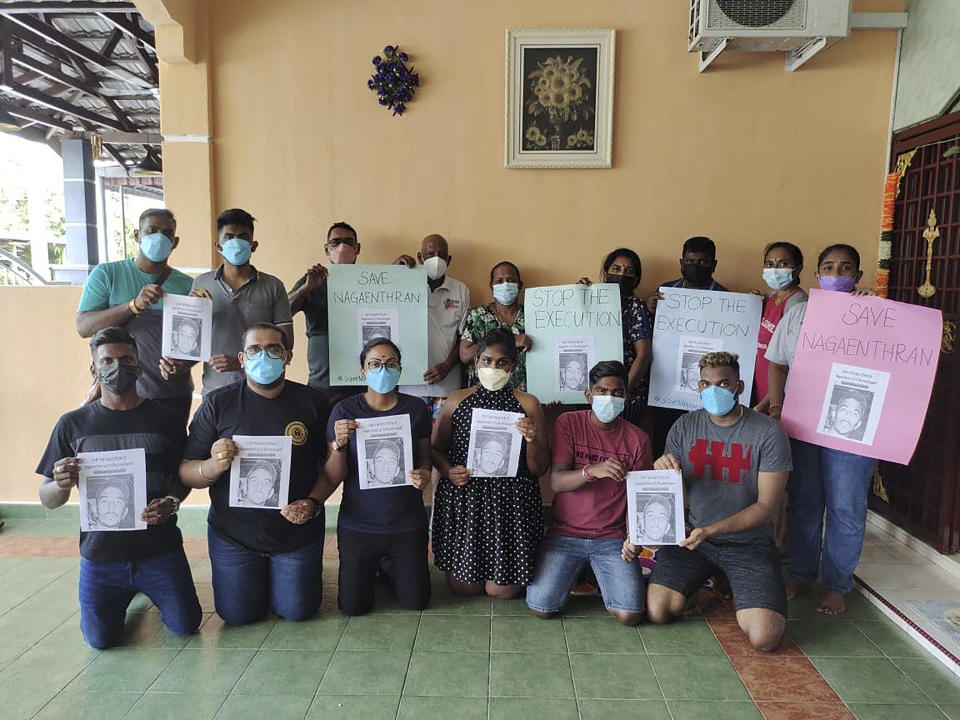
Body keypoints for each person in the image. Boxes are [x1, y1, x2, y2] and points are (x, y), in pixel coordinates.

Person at [37, 326, 201, 649]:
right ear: (94, 368)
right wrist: (59, 484)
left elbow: (181, 480)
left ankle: (144, 588)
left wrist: (172, 501)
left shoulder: (166, 420)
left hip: (159, 550)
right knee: (100, 641)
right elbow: (47, 498)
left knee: (186, 625)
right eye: (107, 360)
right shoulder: (72, 424)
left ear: (140, 365)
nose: (117, 367)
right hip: (101, 557)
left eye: (126, 359)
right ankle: (125, 593)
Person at [635, 351, 791, 651]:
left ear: (740, 387)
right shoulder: (684, 426)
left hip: (749, 544)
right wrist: (663, 473)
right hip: (693, 540)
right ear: (698, 387)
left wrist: (712, 530)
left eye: (723, 383)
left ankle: (738, 585)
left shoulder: (769, 433)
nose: (713, 391)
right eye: (705, 384)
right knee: (658, 611)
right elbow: (674, 497)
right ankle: (707, 583)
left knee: (765, 638)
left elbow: (767, 508)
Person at [179, 322, 330, 625]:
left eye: (273, 349)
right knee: (238, 616)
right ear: (242, 357)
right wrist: (212, 465)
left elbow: (330, 467)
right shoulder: (217, 404)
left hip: (295, 533)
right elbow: (186, 471)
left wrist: (312, 504)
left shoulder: (313, 402)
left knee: (297, 611)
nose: (264, 356)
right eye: (254, 350)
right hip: (233, 534)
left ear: (288, 355)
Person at [765, 243, 878, 615]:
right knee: (804, 501)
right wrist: (779, 408)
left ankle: (837, 583)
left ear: (857, 277)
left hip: (853, 430)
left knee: (846, 505)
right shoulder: (798, 315)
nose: (836, 274)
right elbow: (777, 364)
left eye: (845, 268)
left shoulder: (877, 317)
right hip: (804, 423)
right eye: (828, 267)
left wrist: (873, 309)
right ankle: (800, 572)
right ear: (816, 274)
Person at [526, 361, 651, 625]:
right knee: (541, 606)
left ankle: (592, 572)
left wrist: (633, 538)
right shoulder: (568, 423)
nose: (609, 398)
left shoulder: (638, 439)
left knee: (630, 613)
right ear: (588, 394)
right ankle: (582, 571)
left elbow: (638, 498)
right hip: (565, 533)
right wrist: (592, 471)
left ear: (626, 397)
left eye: (617, 392)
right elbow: (557, 482)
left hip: (611, 538)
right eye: (602, 391)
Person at [316, 338, 433, 615]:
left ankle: (389, 564)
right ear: (363, 371)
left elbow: (425, 456)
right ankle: (377, 564)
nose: (383, 370)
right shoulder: (343, 412)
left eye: (390, 364)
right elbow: (334, 475)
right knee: (353, 607)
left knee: (415, 603)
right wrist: (339, 444)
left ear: (400, 370)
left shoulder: (415, 409)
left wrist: (425, 474)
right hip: (359, 525)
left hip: (406, 522)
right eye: (375, 364)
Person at [433, 329, 549, 598]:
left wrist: (532, 439)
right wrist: (449, 471)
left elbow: (539, 468)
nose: (493, 367)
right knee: (464, 587)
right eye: (487, 360)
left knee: (502, 591)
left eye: (502, 362)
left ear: (514, 365)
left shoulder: (528, 403)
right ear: (476, 362)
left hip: (511, 505)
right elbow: (437, 449)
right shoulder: (456, 400)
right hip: (467, 500)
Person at [76, 208, 195, 426]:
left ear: (175, 241)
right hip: (117, 394)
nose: (159, 237)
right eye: (151, 230)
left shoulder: (187, 285)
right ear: (136, 235)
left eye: (167, 233)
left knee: (169, 457)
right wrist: (133, 306)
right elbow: (84, 327)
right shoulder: (107, 274)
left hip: (171, 394)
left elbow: (193, 345)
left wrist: (184, 364)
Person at [191, 208, 294, 396]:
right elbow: (189, 339)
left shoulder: (273, 285)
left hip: (264, 389)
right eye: (229, 237)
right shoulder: (201, 284)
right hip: (216, 390)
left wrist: (240, 361)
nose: (236, 243)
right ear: (218, 245)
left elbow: (286, 345)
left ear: (253, 245)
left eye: (243, 237)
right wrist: (194, 311)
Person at [647, 236, 729, 456]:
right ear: (681, 261)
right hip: (667, 386)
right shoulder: (665, 292)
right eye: (690, 261)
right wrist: (650, 309)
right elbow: (653, 334)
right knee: (665, 443)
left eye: (702, 262)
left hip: (707, 389)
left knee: (702, 447)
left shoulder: (726, 299)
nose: (695, 266)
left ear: (714, 264)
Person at [396, 234, 471, 423]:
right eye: (430, 254)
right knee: (412, 443)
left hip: (446, 388)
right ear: (420, 257)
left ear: (449, 260)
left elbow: (464, 337)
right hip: (408, 387)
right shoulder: (402, 285)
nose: (436, 259)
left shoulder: (461, 291)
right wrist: (393, 273)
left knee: (442, 445)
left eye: (441, 255)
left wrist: (446, 366)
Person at [578, 248, 653, 425]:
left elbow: (643, 355)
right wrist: (576, 297)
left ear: (636, 279)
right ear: (605, 273)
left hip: (623, 394)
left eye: (629, 271)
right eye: (616, 269)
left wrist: (623, 393)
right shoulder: (589, 300)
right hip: (591, 392)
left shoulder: (636, 306)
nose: (622, 274)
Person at [288, 221, 361, 399]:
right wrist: (306, 288)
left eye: (348, 242)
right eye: (335, 242)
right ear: (327, 249)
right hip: (322, 386)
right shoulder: (312, 279)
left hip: (362, 386)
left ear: (357, 248)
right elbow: (283, 311)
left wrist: (397, 273)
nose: (342, 247)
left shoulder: (371, 280)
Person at [460, 262, 530, 391]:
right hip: (482, 397)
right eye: (499, 281)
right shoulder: (478, 315)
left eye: (511, 280)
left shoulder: (532, 316)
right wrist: (511, 341)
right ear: (491, 287)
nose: (505, 285)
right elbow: (465, 355)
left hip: (522, 396)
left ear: (520, 286)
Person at [753, 242, 807, 410]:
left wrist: (763, 406)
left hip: (776, 398)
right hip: (757, 386)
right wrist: (750, 306)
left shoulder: (798, 305)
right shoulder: (767, 299)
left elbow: (789, 364)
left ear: (797, 269)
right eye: (769, 264)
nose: (775, 269)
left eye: (783, 264)